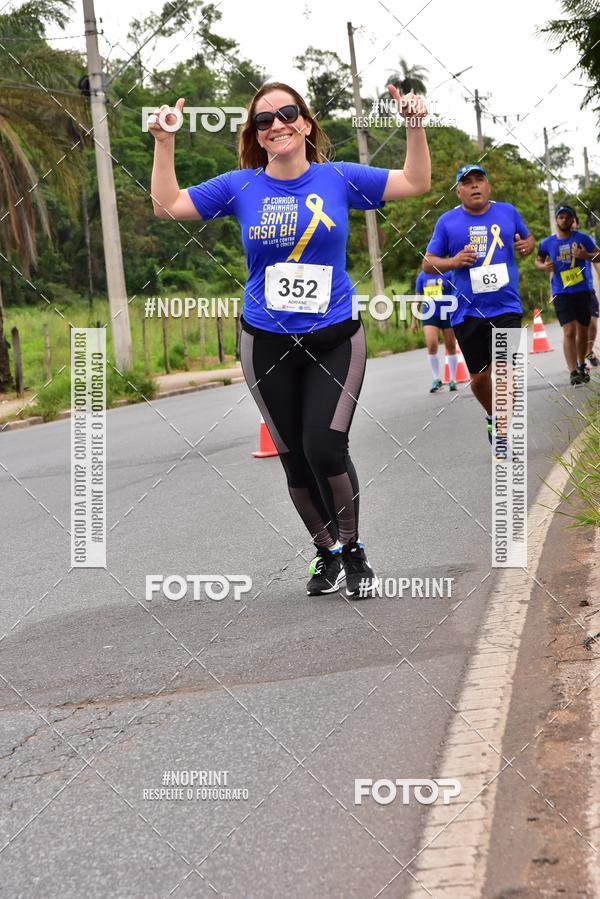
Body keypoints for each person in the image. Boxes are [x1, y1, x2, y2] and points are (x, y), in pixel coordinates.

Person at [149, 83, 431, 598]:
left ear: (305, 122)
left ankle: (353, 551)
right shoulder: (241, 186)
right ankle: (325, 553)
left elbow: (415, 180)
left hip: (335, 336)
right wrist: (164, 143)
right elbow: (168, 205)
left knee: (325, 445)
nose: (276, 124)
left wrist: (414, 124)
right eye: (263, 120)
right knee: (294, 458)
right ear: (255, 135)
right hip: (266, 340)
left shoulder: (338, 177)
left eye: (286, 113)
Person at [423, 164, 534, 445]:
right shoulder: (447, 222)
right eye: (467, 182)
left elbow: (527, 238)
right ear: (458, 191)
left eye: (479, 180)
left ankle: (504, 428)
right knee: (480, 379)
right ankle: (492, 416)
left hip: (506, 306)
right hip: (466, 311)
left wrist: (527, 245)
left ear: (488, 186)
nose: (474, 186)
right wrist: (453, 262)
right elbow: (427, 264)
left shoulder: (508, 211)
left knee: (504, 368)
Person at [536, 205, 600, 385]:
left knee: (583, 330)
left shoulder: (583, 238)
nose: (564, 220)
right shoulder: (547, 242)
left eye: (567, 217)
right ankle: (573, 371)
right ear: (556, 220)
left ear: (573, 220)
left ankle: (581, 364)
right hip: (561, 292)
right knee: (569, 330)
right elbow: (538, 261)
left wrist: (585, 255)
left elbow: (598, 256)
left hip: (582, 291)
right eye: (561, 217)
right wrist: (544, 267)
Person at [412, 270, 459, 392]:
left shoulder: (448, 273)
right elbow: (418, 298)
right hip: (429, 314)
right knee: (432, 344)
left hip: (447, 313)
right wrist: (414, 319)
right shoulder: (422, 276)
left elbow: (457, 292)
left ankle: (452, 379)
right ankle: (436, 379)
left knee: (451, 346)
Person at [571, 214, 599, 368]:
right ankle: (578, 361)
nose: (570, 222)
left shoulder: (586, 240)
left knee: (593, 324)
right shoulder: (557, 242)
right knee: (576, 328)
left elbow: (597, 260)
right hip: (568, 293)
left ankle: (589, 351)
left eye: (573, 220)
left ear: (576, 223)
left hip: (587, 289)